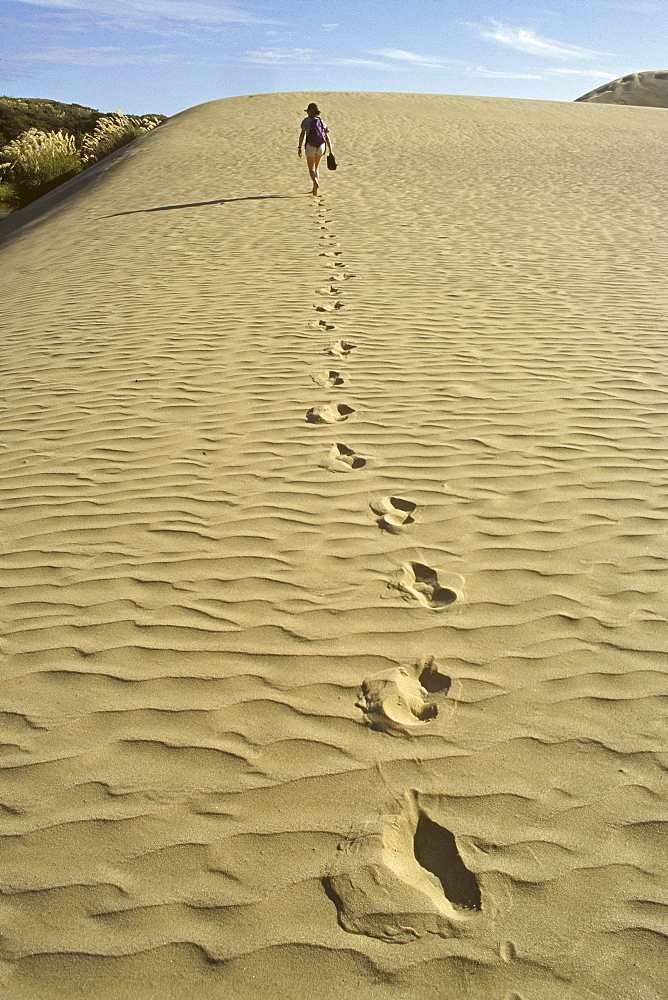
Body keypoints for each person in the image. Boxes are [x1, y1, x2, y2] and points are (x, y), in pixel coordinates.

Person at [298, 102, 333, 195]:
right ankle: (314, 190)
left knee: (311, 169)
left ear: (310, 112)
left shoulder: (306, 121)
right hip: (321, 146)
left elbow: (302, 134)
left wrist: (299, 147)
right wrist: (330, 150)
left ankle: (315, 183)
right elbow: (327, 136)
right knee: (316, 167)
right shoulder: (321, 121)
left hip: (310, 145)